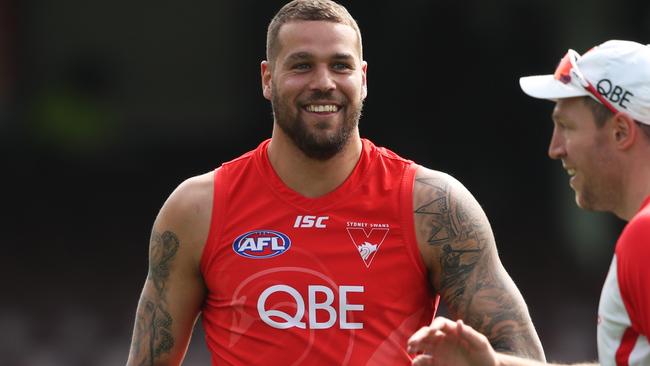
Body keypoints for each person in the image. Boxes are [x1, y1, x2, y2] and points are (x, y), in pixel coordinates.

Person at [125, 0, 545, 364]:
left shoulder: (433, 205)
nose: (323, 82)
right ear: (267, 79)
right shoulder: (198, 208)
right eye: (302, 65)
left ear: (362, 78)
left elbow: (525, 358)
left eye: (340, 65)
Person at [407, 39, 650, 366]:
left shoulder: (645, 236)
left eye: (566, 126)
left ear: (621, 132)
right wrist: (494, 364)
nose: (555, 148)